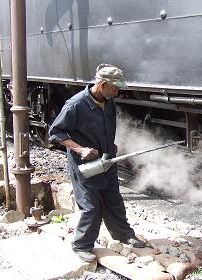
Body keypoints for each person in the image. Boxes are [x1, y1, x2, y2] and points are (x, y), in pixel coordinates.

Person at [48, 64, 146, 262]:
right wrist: (80, 149)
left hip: (106, 159)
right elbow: (55, 133)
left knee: (114, 199)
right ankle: (81, 245)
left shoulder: (109, 102)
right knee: (91, 205)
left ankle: (123, 234)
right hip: (85, 164)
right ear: (102, 85)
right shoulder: (75, 105)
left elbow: (107, 126)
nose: (118, 91)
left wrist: (111, 144)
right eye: (115, 87)